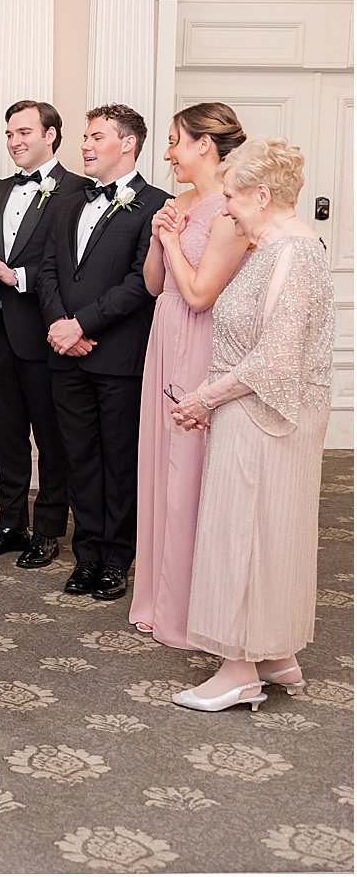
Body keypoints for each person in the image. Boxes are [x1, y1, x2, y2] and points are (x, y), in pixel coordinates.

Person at [167, 137, 333, 713]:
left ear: (262, 195)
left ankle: (238, 669)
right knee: (267, 533)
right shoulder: (277, 249)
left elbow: (274, 358)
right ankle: (275, 653)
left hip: (265, 417)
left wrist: (203, 398)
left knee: (243, 535)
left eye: (234, 197)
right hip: (263, 412)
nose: (227, 208)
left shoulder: (291, 253)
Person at [37, 104, 169, 601]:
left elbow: (143, 283)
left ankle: (117, 558)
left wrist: (83, 324)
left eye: (96, 137)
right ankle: (86, 554)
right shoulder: (68, 201)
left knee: (119, 460)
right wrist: (59, 325)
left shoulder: (157, 204)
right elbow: (49, 270)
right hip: (65, 353)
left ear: (127, 144)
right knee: (79, 458)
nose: (85, 146)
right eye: (86, 137)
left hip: (118, 356)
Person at [130, 103, 248, 646]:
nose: (168, 152)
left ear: (205, 144)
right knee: (160, 463)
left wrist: (174, 241)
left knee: (190, 469)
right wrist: (159, 238)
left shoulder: (231, 211)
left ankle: (191, 605)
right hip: (165, 332)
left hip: (202, 342)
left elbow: (202, 294)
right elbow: (157, 285)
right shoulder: (176, 203)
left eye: (175, 140)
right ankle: (157, 595)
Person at [0, 100, 88, 569]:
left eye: (23, 132)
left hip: (44, 332)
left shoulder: (77, 190)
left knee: (52, 438)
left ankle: (49, 530)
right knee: (7, 435)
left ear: (51, 135)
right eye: (10, 134)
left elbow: (74, 264)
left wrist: (16, 274)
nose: (15, 142)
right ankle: (10, 523)